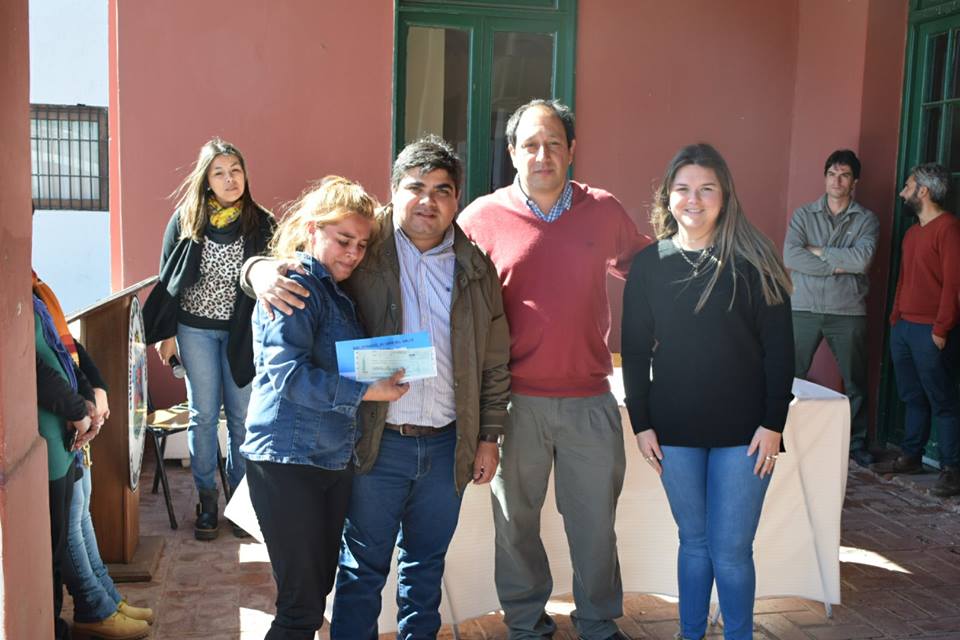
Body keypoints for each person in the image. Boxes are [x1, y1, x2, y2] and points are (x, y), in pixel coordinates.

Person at [243, 136, 511, 638]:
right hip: (375, 442)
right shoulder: (367, 248)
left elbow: (495, 364)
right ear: (394, 190)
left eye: (442, 190)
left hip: (447, 443)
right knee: (361, 570)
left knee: (425, 568)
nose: (428, 200)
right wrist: (255, 270)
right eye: (416, 187)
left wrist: (489, 436)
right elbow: (303, 264)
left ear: (457, 199)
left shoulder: (477, 268)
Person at [457, 99, 649, 640]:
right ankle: (525, 623)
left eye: (554, 144)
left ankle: (597, 622)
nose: (542, 155)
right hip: (513, 405)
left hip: (589, 400)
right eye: (530, 145)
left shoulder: (603, 211)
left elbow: (651, 269)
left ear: (571, 150)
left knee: (595, 526)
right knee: (515, 525)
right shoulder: (480, 219)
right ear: (512, 152)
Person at [621, 143, 794, 640]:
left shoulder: (755, 260)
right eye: (682, 189)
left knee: (732, 550)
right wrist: (641, 424)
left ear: (725, 197)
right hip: (674, 431)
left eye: (706, 189)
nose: (693, 199)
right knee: (694, 542)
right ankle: (689, 633)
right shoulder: (650, 265)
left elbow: (781, 351)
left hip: (746, 434)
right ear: (668, 197)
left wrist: (773, 424)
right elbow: (634, 351)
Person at [240, 177, 409, 639]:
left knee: (313, 599)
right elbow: (288, 377)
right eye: (343, 240)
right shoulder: (296, 284)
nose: (353, 253)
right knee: (299, 609)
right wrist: (368, 392)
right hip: (286, 460)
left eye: (361, 244)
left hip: (329, 458)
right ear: (313, 229)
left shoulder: (336, 291)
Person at [143, 138, 275, 540]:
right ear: (207, 180)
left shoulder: (262, 222)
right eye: (219, 172)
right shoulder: (186, 220)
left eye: (236, 170)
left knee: (241, 418)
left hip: (241, 333)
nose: (229, 179)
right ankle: (207, 500)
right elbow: (167, 280)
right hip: (194, 330)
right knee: (202, 416)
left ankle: (241, 504)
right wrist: (166, 335)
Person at [33, 272, 155, 640]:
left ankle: (106, 597)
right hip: (55, 427)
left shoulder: (35, 288)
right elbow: (35, 367)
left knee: (81, 510)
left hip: (70, 423)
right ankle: (92, 606)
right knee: (67, 526)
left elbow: (67, 349)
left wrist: (92, 391)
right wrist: (78, 407)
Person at [783, 149, 879, 466]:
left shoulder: (866, 220)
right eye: (832, 174)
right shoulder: (803, 215)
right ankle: (783, 434)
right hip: (804, 307)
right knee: (790, 376)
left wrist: (818, 251)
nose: (837, 181)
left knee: (854, 381)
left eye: (844, 175)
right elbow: (791, 257)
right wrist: (838, 264)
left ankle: (856, 443)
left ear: (854, 182)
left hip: (847, 309)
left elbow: (862, 261)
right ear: (825, 178)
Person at [872, 163, 960, 497]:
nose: (902, 193)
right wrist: (895, 316)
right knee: (912, 395)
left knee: (943, 400)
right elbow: (904, 278)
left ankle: (951, 470)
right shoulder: (912, 233)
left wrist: (941, 328)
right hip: (904, 327)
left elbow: (954, 284)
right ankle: (912, 455)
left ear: (923, 191)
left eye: (908, 186)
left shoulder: (948, 228)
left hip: (931, 331)